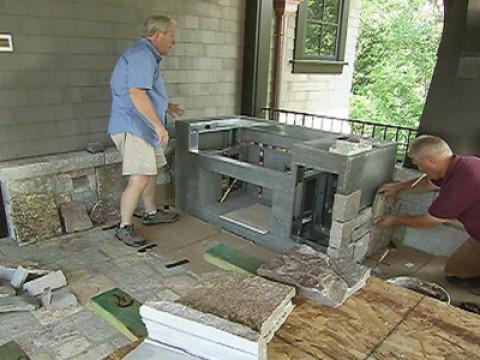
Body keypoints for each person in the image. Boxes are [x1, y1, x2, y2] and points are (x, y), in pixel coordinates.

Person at [107, 15, 184, 247]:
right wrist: (159, 125)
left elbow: (144, 94)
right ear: (157, 35)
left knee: (149, 172)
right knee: (139, 177)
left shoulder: (146, 55)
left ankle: (151, 213)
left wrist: (166, 107)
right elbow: (136, 93)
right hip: (134, 127)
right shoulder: (142, 55)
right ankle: (124, 227)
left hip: (142, 126)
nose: (174, 41)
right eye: (171, 36)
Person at [377, 135, 480, 286]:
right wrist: (397, 187)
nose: (420, 169)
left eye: (419, 164)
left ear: (431, 161)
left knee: (455, 276)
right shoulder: (460, 165)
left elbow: (430, 221)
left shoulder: (464, 181)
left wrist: (394, 219)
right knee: (453, 269)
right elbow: (429, 183)